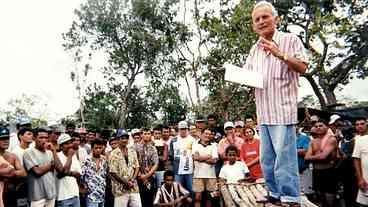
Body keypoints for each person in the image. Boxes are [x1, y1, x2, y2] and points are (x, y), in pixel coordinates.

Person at [243, 1, 308, 205]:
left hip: (282, 111)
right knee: (267, 160)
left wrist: (281, 54)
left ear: (276, 19)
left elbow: (303, 67)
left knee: (284, 159)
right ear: (253, 25)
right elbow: (248, 76)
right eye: (257, 19)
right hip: (263, 112)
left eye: (265, 17)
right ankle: (273, 193)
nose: (261, 22)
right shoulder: (254, 49)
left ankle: (290, 196)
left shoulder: (290, 40)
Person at [23, 128, 63, 207]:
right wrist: (51, 165)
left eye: (46, 138)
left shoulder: (50, 152)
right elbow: (37, 172)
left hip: (51, 194)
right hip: (37, 196)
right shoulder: (28, 152)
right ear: (34, 138)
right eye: (41, 138)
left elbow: (60, 169)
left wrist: (54, 150)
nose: (44, 140)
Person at [305, 120, 338, 207]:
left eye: (321, 125)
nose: (318, 128)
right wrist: (319, 156)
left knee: (330, 198)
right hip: (316, 171)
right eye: (316, 126)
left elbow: (323, 157)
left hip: (329, 171)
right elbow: (306, 157)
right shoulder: (313, 141)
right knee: (320, 198)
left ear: (327, 127)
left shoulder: (331, 139)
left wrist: (314, 156)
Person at [108, 131, 141, 207]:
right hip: (120, 188)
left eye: (126, 138)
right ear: (117, 139)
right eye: (122, 138)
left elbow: (137, 166)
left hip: (133, 187)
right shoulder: (113, 153)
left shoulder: (132, 151)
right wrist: (126, 183)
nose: (124, 140)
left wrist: (132, 180)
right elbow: (113, 172)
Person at [0, 127, 27, 207]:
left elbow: (23, 173)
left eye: (7, 138)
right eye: (2, 139)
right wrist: (8, 172)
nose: (6, 141)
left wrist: (10, 172)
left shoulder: (12, 156)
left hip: (10, 194)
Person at [192, 128, 219, 207]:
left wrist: (201, 158)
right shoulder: (195, 144)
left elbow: (214, 160)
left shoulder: (214, 145)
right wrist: (208, 157)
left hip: (211, 175)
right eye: (206, 133)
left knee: (210, 197)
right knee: (198, 197)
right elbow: (195, 157)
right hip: (198, 175)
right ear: (201, 134)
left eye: (209, 134)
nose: (207, 135)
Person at [56, 133, 82, 207]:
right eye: (66, 144)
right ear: (61, 146)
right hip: (63, 196)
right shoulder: (57, 156)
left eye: (70, 143)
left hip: (75, 194)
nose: (70, 145)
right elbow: (60, 175)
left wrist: (68, 173)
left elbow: (79, 173)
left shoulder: (74, 156)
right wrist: (70, 156)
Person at [169, 121, 195, 193]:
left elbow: (195, 155)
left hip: (190, 170)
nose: (183, 131)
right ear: (178, 129)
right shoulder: (174, 140)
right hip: (177, 170)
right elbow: (171, 155)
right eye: (181, 129)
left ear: (187, 129)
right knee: (178, 190)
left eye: (185, 129)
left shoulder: (193, 140)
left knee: (191, 190)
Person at [136, 128, 159, 207]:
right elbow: (134, 163)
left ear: (151, 135)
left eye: (148, 134)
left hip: (150, 177)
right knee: (140, 200)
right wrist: (140, 176)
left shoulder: (153, 148)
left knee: (149, 199)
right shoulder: (135, 147)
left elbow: (156, 164)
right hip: (138, 178)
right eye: (145, 134)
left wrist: (147, 176)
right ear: (141, 135)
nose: (147, 135)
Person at [82, 139, 108, 207]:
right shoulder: (86, 160)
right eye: (96, 148)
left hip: (102, 193)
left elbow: (106, 174)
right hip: (91, 194)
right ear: (92, 148)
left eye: (100, 148)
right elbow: (81, 175)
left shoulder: (104, 159)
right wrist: (82, 188)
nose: (98, 150)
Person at [353, 118, 368, 207]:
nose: (360, 126)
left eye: (362, 124)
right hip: (366, 178)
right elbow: (356, 159)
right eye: (357, 124)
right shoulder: (358, 140)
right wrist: (360, 179)